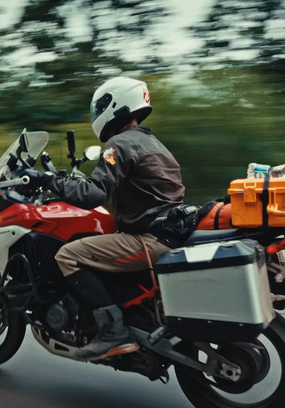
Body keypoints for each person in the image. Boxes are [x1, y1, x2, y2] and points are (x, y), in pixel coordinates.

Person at [28, 77, 186, 361]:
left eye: (101, 106)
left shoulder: (119, 144)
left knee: (68, 256)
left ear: (117, 104)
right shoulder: (156, 144)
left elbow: (94, 193)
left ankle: (113, 332)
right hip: (169, 232)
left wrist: (52, 181)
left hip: (148, 240)